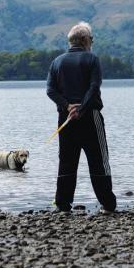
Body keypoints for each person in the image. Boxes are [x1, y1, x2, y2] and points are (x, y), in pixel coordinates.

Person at [46, 21, 117, 213]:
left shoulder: (56, 62)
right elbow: (94, 87)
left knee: (67, 160)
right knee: (99, 159)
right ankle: (108, 203)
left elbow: (50, 91)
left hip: (65, 119)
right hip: (90, 117)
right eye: (91, 39)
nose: (92, 42)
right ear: (85, 40)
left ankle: (62, 203)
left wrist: (68, 107)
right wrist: (81, 108)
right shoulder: (92, 59)